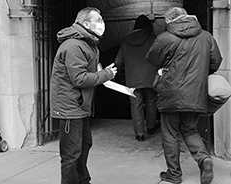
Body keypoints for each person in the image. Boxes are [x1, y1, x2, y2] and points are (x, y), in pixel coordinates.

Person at [146, 7, 222, 184]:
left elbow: (152, 59)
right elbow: (216, 62)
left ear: (170, 21)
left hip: (170, 93)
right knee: (190, 130)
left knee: (170, 133)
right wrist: (199, 72)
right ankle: (204, 160)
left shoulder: (165, 37)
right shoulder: (206, 36)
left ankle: (174, 174)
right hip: (196, 93)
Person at [50, 7, 117, 184]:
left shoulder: (88, 43)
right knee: (71, 154)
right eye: (99, 20)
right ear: (86, 23)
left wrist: (102, 72)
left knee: (84, 146)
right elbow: (78, 79)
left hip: (80, 106)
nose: (102, 23)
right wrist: (106, 75)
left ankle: (82, 180)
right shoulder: (74, 45)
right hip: (70, 108)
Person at [115, 14, 159, 142]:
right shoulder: (153, 38)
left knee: (135, 104)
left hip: (132, 79)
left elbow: (118, 61)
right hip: (150, 77)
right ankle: (151, 127)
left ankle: (139, 133)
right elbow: (160, 56)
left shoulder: (126, 40)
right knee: (151, 101)